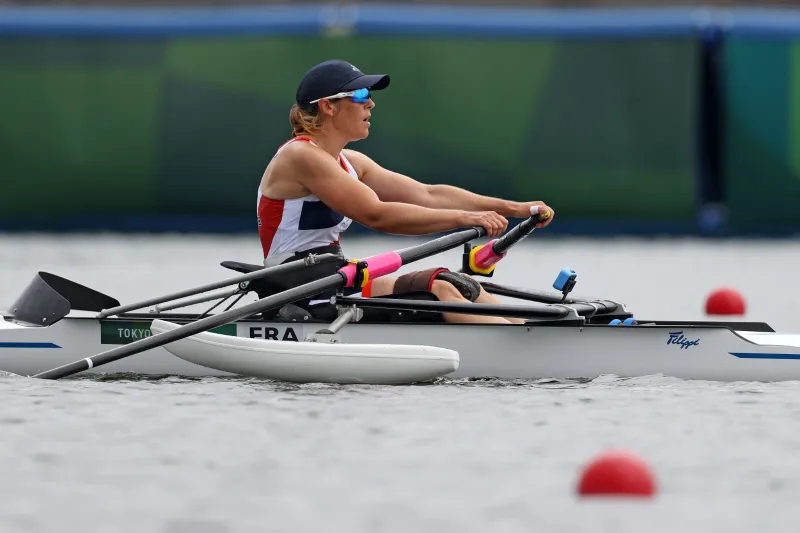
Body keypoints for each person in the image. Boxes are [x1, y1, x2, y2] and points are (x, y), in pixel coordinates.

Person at [257, 59, 555, 324]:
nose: (370, 104)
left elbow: (428, 194)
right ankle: (524, 358)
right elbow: (377, 215)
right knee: (441, 290)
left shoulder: (351, 163)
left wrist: (513, 208)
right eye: (361, 95)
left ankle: (533, 336)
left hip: (337, 279)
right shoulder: (300, 157)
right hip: (297, 293)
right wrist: (465, 218)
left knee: (455, 281)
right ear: (328, 105)